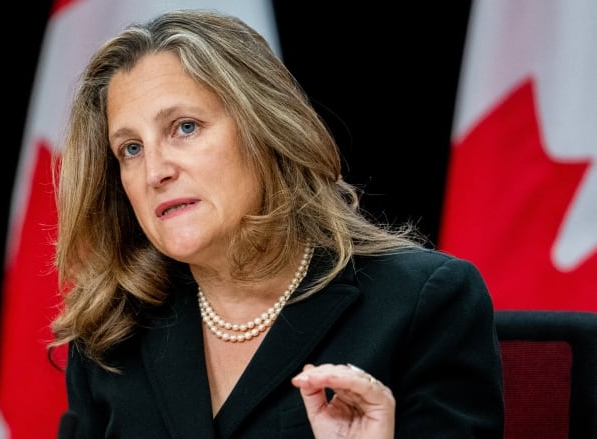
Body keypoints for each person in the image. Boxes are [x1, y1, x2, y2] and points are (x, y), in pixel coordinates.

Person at [50, 8, 504, 439]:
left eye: (184, 127)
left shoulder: (421, 303)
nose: (155, 172)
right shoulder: (111, 331)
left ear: (264, 129)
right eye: (130, 149)